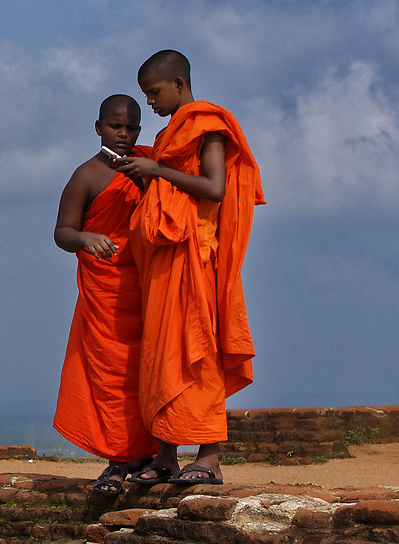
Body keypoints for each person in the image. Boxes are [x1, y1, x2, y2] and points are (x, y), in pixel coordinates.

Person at [112, 49, 264, 486]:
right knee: (162, 358)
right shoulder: (168, 135)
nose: (150, 102)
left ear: (178, 84)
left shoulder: (207, 125)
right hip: (165, 260)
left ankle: (210, 458)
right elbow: (170, 192)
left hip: (195, 259)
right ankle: (166, 457)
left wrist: (157, 170)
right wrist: (146, 176)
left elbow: (213, 188)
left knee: (197, 355)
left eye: (154, 92)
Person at [52, 94, 158, 493]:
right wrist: (85, 237)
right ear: (99, 128)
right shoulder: (87, 175)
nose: (124, 134)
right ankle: (116, 461)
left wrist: (150, 178)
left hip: (148, 286)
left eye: (131, 128)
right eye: (116, 126)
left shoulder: (149, 167)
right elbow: (62, 232)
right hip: (107, 294)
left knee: (149, 370)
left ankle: (151, 456)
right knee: (111, 376)